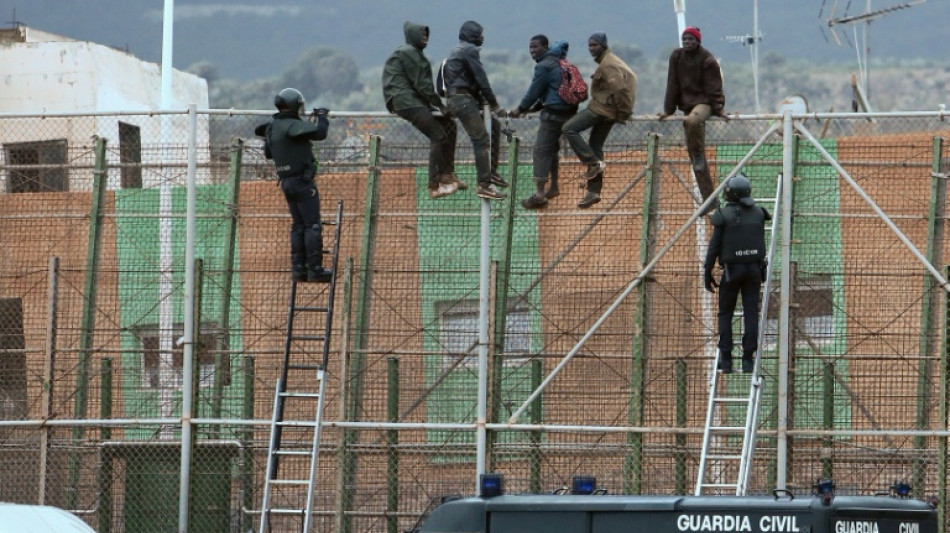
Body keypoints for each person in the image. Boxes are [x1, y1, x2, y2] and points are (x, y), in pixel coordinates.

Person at [257, 88, 333, 283]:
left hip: (286, 183)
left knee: (298, 226)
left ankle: (298, 269)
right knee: (312, 225)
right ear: (295, 106)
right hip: (302, 182)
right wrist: (322, 117)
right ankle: (315, 269)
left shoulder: (272, 128)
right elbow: (320, 133)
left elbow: (268, 153)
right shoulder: (293, 127)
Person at [383, 21, 465, 199]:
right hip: (406, 102)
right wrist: (441, 106)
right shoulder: (408, 52)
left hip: (414, 101)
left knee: (449, 125)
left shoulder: (415, 54)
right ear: (412, 36)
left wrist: (440, 109)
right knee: (438, 135)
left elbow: (422, 87)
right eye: (421, 35)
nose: (425, 38)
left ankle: (447, 174)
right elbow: (423, 86)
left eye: (427, 35)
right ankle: (434, 185)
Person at [703, 174, 771, 374]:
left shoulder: (723, 215)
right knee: (751, 313)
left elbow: (713, 247)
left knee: (726, 313)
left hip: (732, 272)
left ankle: (726, 358)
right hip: (754, 270)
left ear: (729, 194)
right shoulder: (759, 213)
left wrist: (707, 272)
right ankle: (748, 359)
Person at [562, 32, 637, 209]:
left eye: (594, 45)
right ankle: (593, 192)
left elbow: (619, 89)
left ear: (603, 45)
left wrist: (624, 112)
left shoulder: (608, 64)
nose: (591, 49)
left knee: (569, 128)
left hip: (602, 109)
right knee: (595, 146)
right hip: (608, 109)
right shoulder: (609, 61)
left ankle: (593, 163)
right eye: (589, 45)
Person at [660, 26, 726, 214]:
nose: (687, 42)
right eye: (685, 39)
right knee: (696, 159)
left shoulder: (708, 59)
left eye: (691, 39)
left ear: (698, 41)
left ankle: (697, 154)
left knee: (691, 123)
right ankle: (710, 201)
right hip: (687, 105)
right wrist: (668, 109)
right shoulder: (676, 57)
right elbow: (672, 83)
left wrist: (718, 108)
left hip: (705, 103)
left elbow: (715, 87)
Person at [442, 20, 509, 200]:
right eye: (479, 33)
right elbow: (481, 79)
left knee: (493, 125)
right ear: (472, 35)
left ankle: (491, 170)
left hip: (458, 99)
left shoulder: (458, 50)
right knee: (481, 139)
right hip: (463, 100)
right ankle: (485, 185)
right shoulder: (469, 50)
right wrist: (495, 105)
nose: (482, 37)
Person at [509, 36, 577, 209]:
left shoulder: (544, 66)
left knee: (540, 150)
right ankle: (553, 186)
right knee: (552, 149)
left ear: (545, 47)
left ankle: (540, 194)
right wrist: (535, 107)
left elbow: (534, 90)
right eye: (530, 47)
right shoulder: (561, 63)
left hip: (553, 115)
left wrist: (520, 109)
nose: (532, 50)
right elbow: (550, 90)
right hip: (568, 113)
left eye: (535, 47)